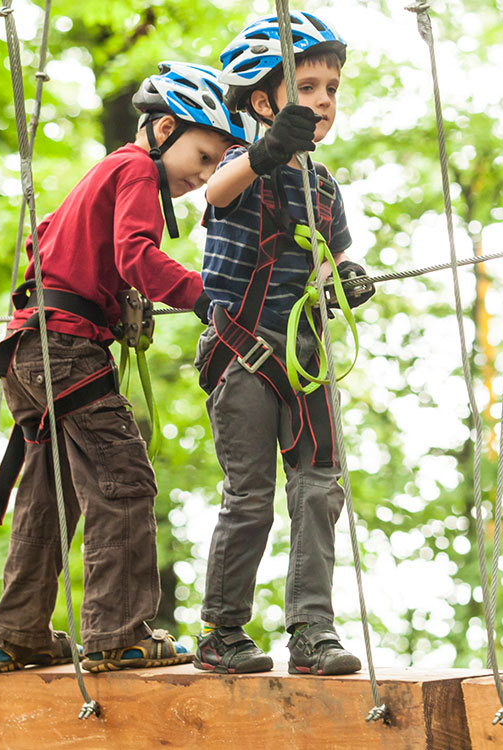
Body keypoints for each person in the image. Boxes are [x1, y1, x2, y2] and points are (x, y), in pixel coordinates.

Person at [0, 62, 256, 674]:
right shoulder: (135, 169)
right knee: (123, 478)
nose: (207, 175)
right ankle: (120, 634)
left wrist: (114, 304)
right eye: (206, 156)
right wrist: (202, 295)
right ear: (163, 128)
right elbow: (135, 253)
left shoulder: (101, 174)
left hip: (30, 350)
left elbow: (51, 243)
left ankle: (17, 631)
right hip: (68, 350)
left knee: (50, 492)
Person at [192, 11, 375, 676]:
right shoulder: (244, 163)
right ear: (265, 101)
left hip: (303, 357)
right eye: (308, 85)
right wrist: (266, 151)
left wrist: (343, 277)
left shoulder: (323, 186)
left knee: (321, 489)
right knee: (249, 495)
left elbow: (331, 255)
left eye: (331, 86)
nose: (325, 98)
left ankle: (312, 629)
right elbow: (213, 192)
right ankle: (223, 630)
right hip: (244, 353)